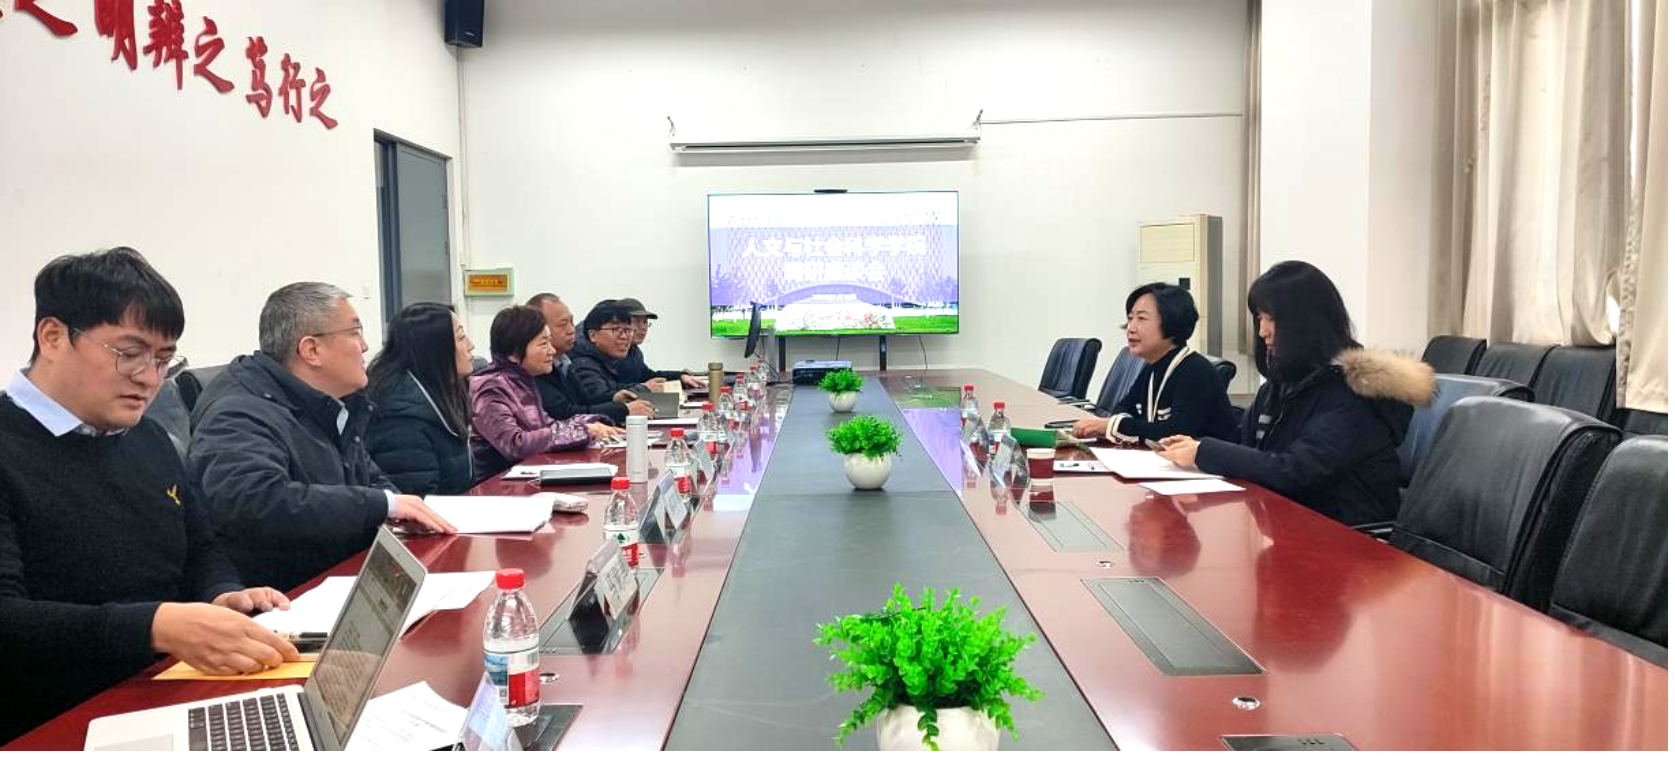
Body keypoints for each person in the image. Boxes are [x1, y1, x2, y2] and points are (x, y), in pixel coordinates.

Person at [0, 249, 299, 742]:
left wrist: (221, 595)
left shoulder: (149, 437)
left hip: (168, 690)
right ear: (52, 337)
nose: (149, 378)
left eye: (163, 359)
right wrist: (156, 626)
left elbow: (201, 546)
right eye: (130, 353)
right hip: (55, 721)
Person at [190, 283, 456, 592]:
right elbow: (256, 500)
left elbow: (367, 475)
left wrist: (402, 510)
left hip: (344, 577)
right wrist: (382, 506)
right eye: (354, 332)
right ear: (311, 350)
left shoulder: (330, 402)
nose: (365, 346)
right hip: (287, 596)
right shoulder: (237, 412)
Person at [1158, 261, 1434, 526]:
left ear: (1306, 322)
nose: (1262, 331)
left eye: (1271, 319)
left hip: (1346, 538)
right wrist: (1195, 446)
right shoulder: (1280, 386)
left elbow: (1297, 471)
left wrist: (1205, 451)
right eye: (1259, 318)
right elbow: (1247, 445)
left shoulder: (1352, 393)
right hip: (1290, 523)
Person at [1072, 283, 1238, 444]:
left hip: (1209, 463)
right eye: (1130, 318)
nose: (1131, 328)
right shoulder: (1152, 366)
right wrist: (1118, 424)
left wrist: (1114, 426)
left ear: (1172, 322)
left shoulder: (1195, 371)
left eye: (1141, 318)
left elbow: (1175, 434)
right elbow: (1124, 406)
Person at [470, 305, 621, 478]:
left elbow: (548, 426)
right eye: (543, 344)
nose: (552, 351)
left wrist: (594, 423)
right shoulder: (490, 388)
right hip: (494, 485)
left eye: (550, 341)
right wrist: (584, 431)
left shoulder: (523, 380)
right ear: (513, 353)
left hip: (528, 477)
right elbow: (514, 444)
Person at [366, 303, 476, 496]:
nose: (471, 345)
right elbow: (417, 498)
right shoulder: (400, 417)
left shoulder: (442, 389)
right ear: (435, 349)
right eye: (461, 337)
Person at [526, 293, 653, 425]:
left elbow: (585, 401)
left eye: (571, 322)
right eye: (563, 324)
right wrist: (623, 410)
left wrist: (614, 398)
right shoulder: (537, 369)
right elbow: (564, 414)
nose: (571, 330)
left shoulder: (563, 362)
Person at [567, 300, 652, 406]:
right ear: (593, 335)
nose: (624, 337)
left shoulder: (613, 356)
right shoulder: (581, 363)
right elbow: (599, 398)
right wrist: (644, 388)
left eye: (628, 330)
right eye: (615, 330)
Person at [616, 297, 702, 391]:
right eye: (637, 321)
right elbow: (610, 390)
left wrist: (681, 376)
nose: (643, 327)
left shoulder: (634, 352)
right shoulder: (611, 353)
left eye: (645, 322)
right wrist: (644, 387)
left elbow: (648, 376)